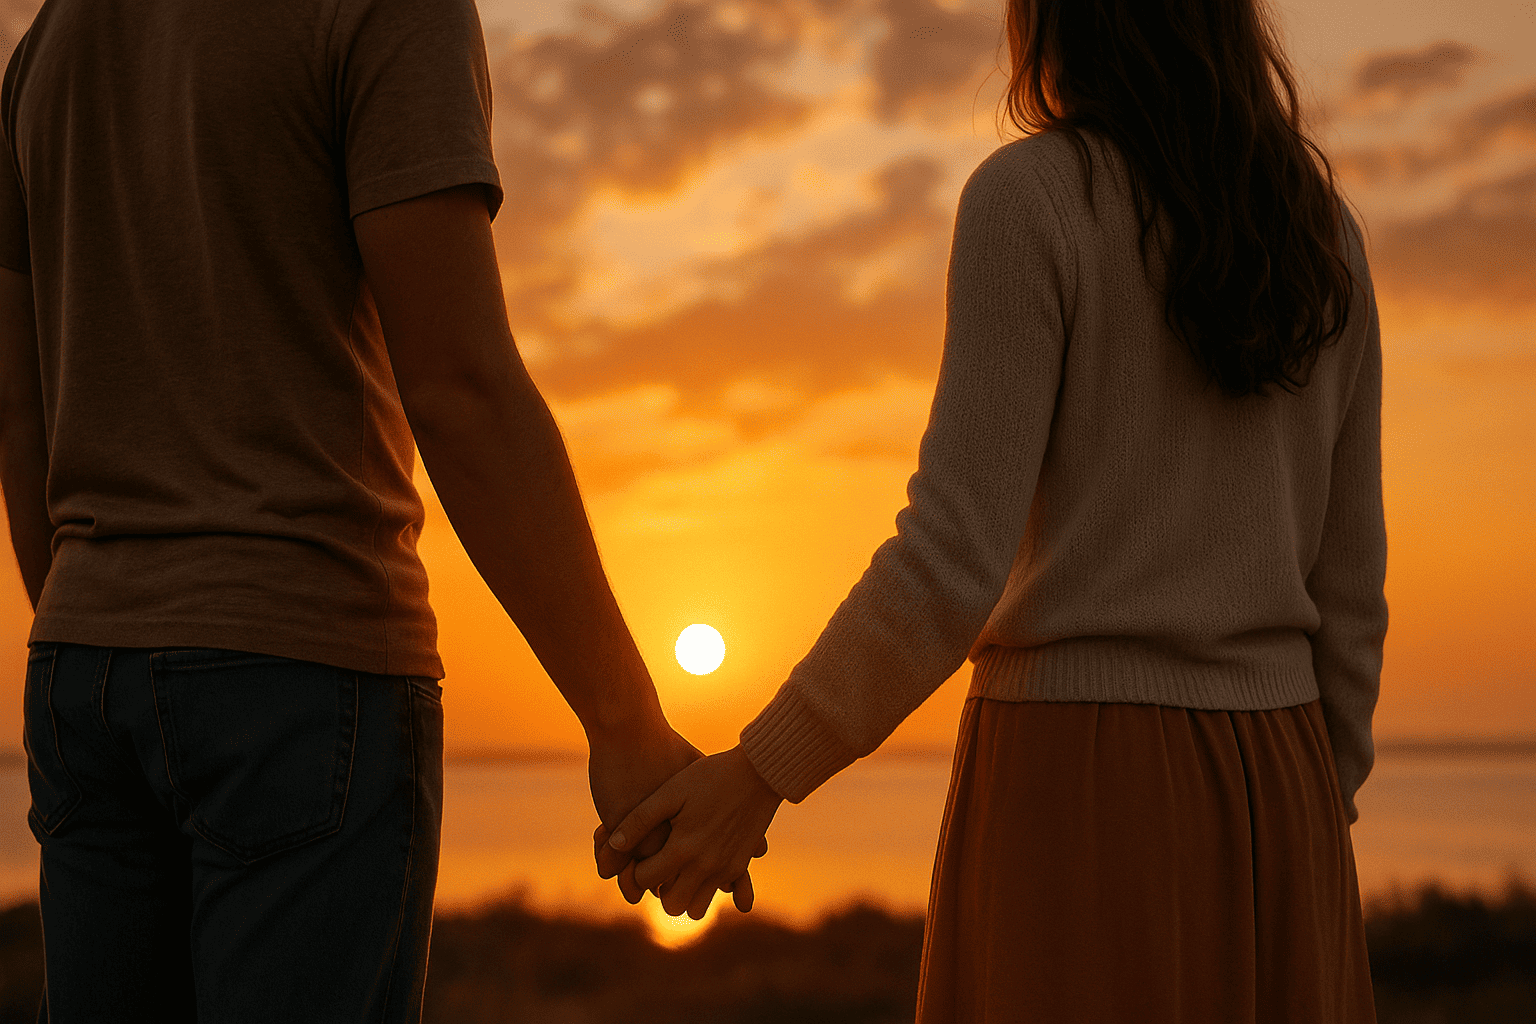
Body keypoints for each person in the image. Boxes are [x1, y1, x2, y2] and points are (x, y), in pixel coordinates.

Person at [599, 0, 1386, 1021]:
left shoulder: (1036, 200)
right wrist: (1313, 830)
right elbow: (1350, 591)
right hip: (1283, 789)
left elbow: (949, 560)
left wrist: (758, 773)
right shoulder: (1325, 234)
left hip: (1079, 782)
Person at [0, 0, 752, 1020]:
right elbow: (461, 388)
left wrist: (108, 618)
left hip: (84, 673)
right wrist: (623, 719)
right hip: (302, 672)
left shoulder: (55, 39)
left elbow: (23, 404)